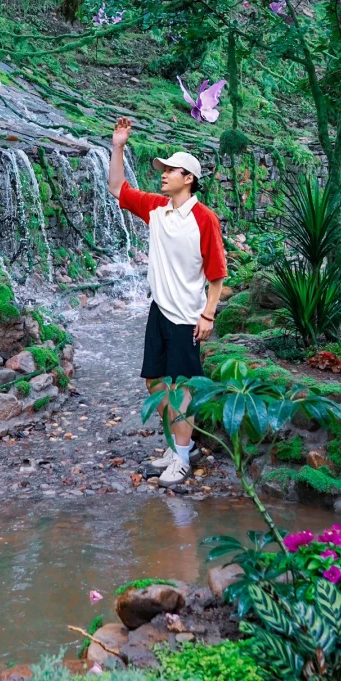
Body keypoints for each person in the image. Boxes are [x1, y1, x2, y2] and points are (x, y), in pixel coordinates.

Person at [107, 116, 227, 485]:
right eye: (163, 169)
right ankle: (179, 446)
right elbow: (116, 188)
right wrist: (118, 145)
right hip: (159, 311)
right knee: (155, 383)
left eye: (171, 170)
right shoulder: (156, 209)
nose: (163, 174)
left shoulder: (204, 219)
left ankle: (181, 458)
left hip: (187, 316)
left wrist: (208, 315)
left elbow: (217, 275)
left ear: (188, 178)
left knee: (181, 389)